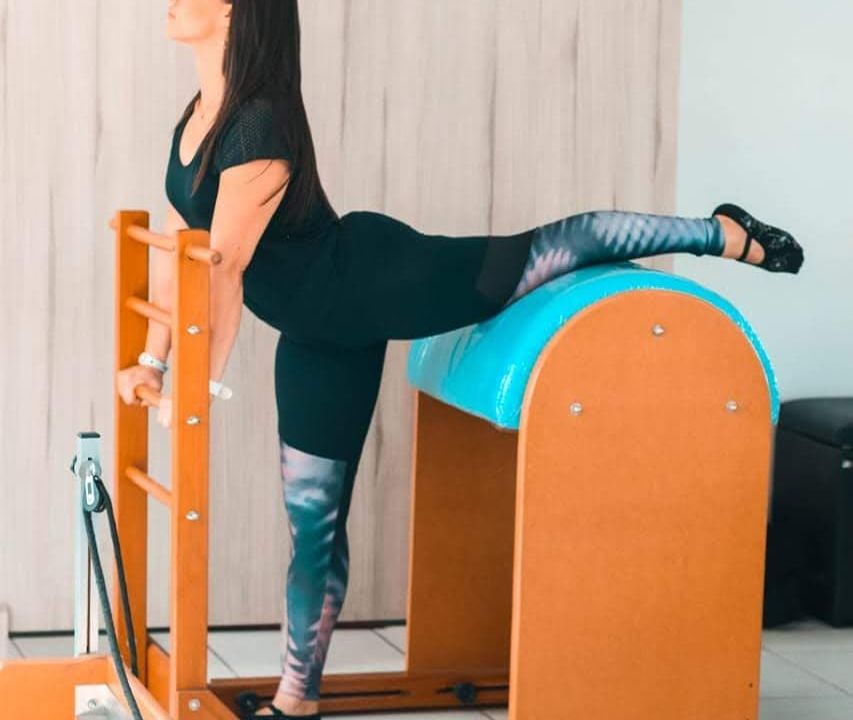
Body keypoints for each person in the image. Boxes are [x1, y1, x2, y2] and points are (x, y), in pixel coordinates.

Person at [116, 2, 805, 718]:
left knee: (545, 250)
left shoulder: (259, 125)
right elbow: (180, 253)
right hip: (316, 333)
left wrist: (194, 387)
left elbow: (223, 269)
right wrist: (152, 360)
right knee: (312, 522)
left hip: (376, 280)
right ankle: (297, 701)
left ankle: (720, 232)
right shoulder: (197, 117)